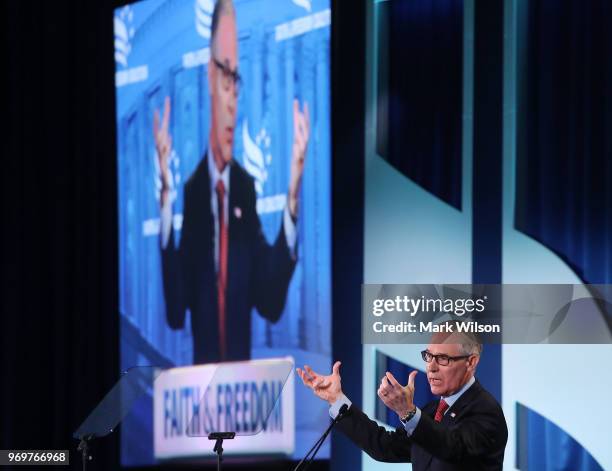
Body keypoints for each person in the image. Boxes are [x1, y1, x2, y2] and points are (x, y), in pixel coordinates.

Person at [153, 0, 310, 364]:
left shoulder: (243, 188)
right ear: (209, 76)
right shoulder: (193, 192)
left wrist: (293, 191)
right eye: (225, 75)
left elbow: (269, 300)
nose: (232, 98)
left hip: (242, 399)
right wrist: (165, 198)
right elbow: (177, 310)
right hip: (198, 399)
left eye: (236, 80)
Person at [297, 323, 508, 470]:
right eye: (429, 356)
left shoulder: (486, 411)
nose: (431, 367)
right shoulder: (432, 411)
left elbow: (451, 448)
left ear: (471, 362)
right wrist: (336, 399)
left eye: (442, 358)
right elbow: (384, 447)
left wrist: (408, 413)